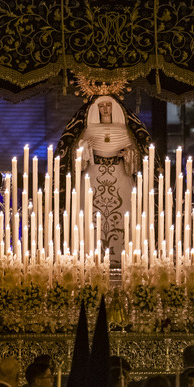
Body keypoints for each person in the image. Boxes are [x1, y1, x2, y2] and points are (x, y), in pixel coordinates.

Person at [57, 94, 151, 261]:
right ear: (96, 109)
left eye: (109, 105)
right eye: (102, 106)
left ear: (114, 108)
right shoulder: (88, 130)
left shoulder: (123, 130)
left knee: (124, 214)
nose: (105, 109)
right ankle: (91, 256)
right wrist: (84, 150)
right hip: (93, 176)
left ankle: (122, 257)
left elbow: (135, 156)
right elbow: (77, 157)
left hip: (119, 175)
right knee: (89, 215)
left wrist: (127, 154)